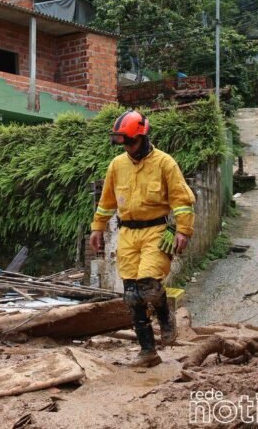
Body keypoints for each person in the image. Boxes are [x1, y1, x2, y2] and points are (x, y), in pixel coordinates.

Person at [89, 110, 196, 367]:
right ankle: (148, 351)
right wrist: (97, 228)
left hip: (157, 231)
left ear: (144, 136)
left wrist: (183, 230)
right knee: (132, 295)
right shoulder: (117, 165)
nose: (127, 147)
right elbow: (106, 203)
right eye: (123, 142)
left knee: (148, 285)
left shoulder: (165, 163)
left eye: (131, 141)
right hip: (127, 233)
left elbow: (182, 202)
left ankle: (165, 316)